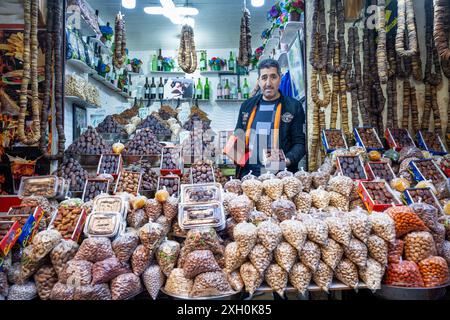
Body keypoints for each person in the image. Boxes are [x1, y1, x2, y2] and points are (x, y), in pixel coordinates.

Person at [232, 58, 306, 178]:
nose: (268, 83)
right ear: (259, 81)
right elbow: (238, 136)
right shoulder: (247, 106)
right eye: (264, 77)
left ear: (280, 78)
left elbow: (300, 143)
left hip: (280, 178)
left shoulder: (293, 106)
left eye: (273, 77)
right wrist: (233, 151)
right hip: (249, 176)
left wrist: (285, 161)